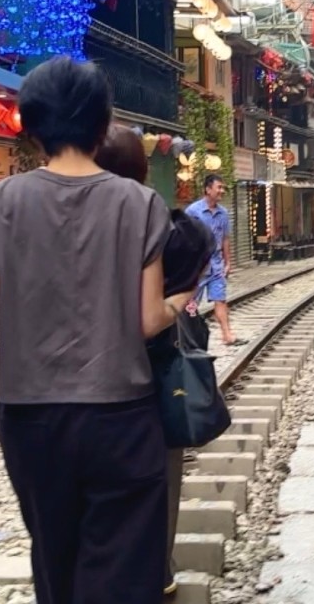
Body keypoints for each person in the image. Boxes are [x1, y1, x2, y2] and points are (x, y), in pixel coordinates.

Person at [0, 57, 194, 604]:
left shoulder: (1, 202)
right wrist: (180, 301)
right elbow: (146, 320)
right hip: (122, 417)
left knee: (57, 564)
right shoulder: (140, 202)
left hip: (33, 421)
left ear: (30, 125)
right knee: (128, 571)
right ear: (102, 125)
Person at [96, 124, 214, 597]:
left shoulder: (72, 224)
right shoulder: (175, 227)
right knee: (161, 476)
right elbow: (198, 259)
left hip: (84, 375)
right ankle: (156, 571)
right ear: (145, 170)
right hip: (156, 370)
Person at [185, 174, 246, 346]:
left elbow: (225, 239)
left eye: (222, 188)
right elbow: (184, 239)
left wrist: (228, 262)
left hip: (216, 264)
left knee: (220, 299)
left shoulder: (223, 213)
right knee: (190, 302)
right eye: (219, 187)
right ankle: (186, 336)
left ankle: (227, 335)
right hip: (197, 266)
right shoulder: (192, 211)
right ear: (208, 189)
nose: (221, 191)